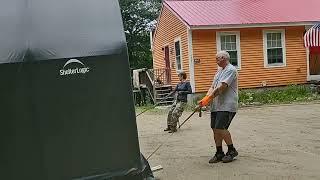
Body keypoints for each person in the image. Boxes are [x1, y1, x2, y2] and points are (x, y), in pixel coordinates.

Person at [199, 51, 239, 163]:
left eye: (217, 58)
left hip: (227, 105)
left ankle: (231, 150)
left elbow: (222, 87)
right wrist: (205, 99)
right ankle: (219, 152)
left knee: (221, 128)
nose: (215, 60)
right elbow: (213, 87)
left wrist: (209, 98)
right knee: (215, 128)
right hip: (216, 105)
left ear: (224, 58)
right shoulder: (219, 71)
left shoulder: (231, 70)